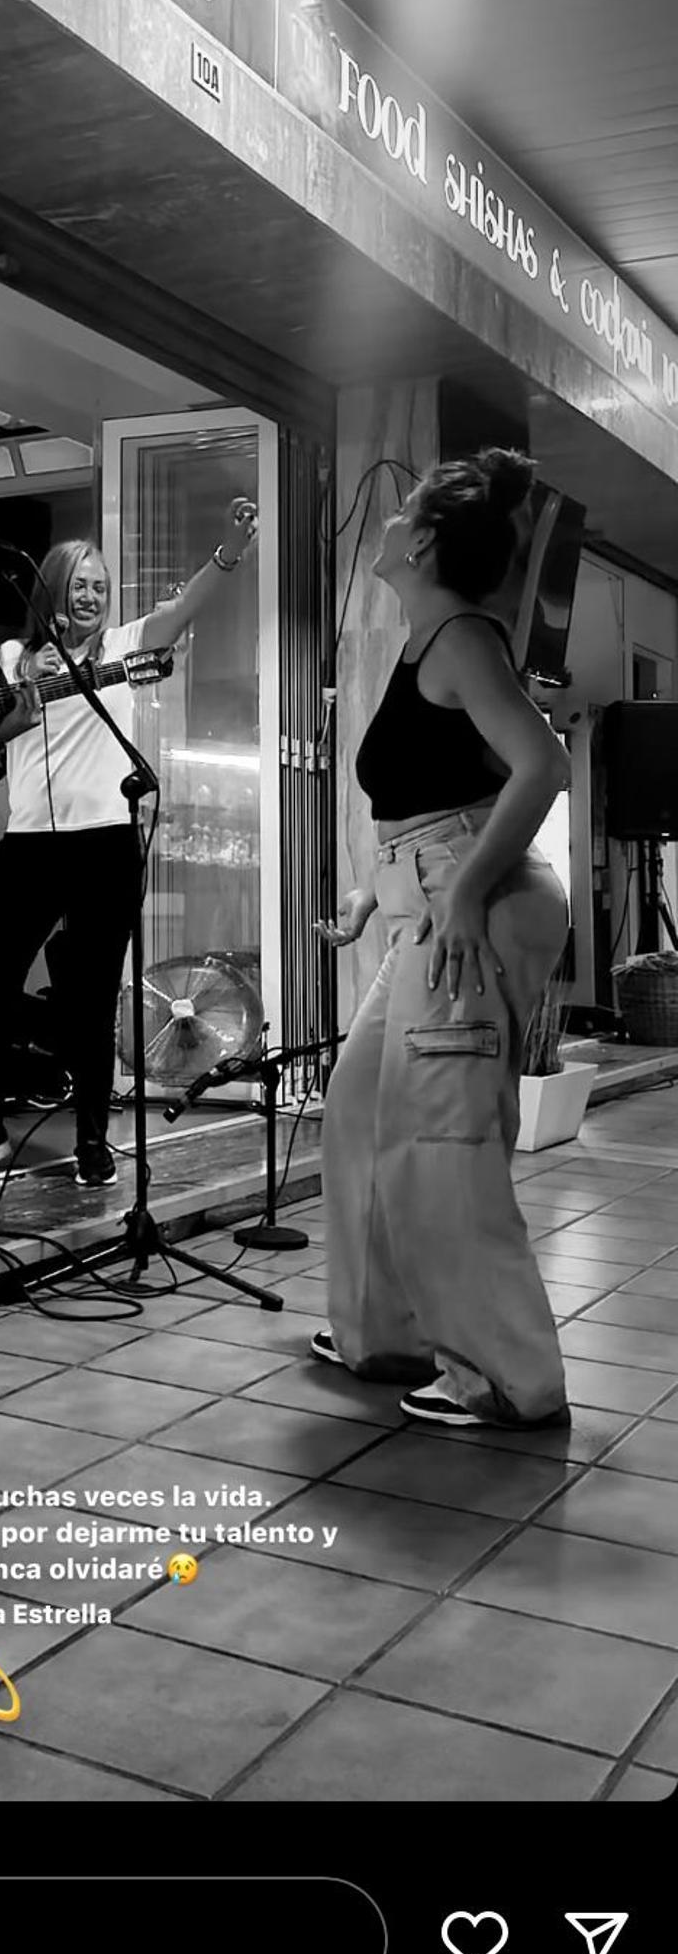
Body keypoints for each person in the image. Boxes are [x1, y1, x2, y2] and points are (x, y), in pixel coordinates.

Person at [315, 447, 572, 1429]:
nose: (387, 513)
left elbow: (541, 766)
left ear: (421, 541)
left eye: (406, 503)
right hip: (440, 896)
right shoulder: (429, 635)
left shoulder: (463, 635)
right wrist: (376, 898)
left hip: (481, 903)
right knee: (359, 1104)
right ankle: (387, 1330)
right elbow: (436, 798)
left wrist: (460, 892)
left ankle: (504, 1375)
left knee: (443, 1134)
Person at [0, 497, 260, 1189]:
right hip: (27, 844)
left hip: (104, 845)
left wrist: (228, 550)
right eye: (80, 584)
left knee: (88, 997)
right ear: (52, 588)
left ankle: (91, 1137)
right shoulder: (12, 655)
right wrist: (27, 697)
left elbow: (181, 612)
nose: (92, 595)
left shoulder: (122, 650)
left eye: (100, 586)